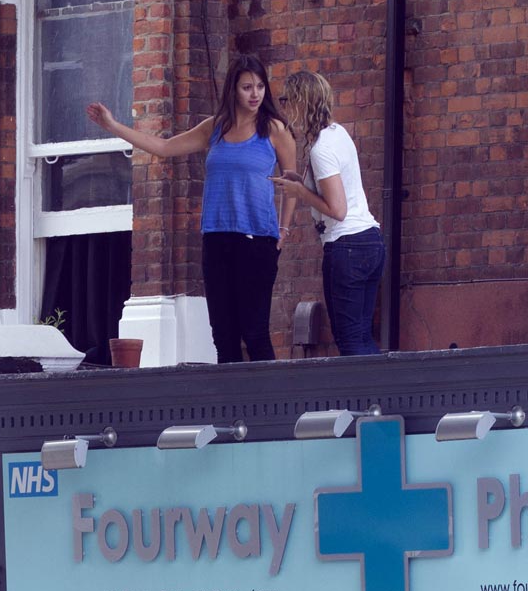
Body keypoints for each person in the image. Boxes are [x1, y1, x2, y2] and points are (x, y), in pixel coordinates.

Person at [87, 52, 296, 364]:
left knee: (255, 334)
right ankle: (232, 411)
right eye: (247, 88)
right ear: (233, 91)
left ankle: (272, 410)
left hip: (258, 241)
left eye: (260, 87)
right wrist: (113, 125)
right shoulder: (214, 128)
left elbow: (291, 183)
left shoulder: (274, 130)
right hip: (217, 239)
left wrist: (284, 229)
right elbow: (165, 147)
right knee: (223, 337)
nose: (255, 94)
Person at [275, 71, 386, 357]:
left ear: (301, 102)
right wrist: (301, 182)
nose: (284, 107)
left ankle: (367, 401)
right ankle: (379, 398)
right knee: (361, 336)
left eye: (287, 100)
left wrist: (300, 193)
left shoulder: (321, 148)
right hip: (370, 242)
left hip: (347, 246)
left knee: (350, 340)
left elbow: (337, 209)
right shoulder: (337, 133)